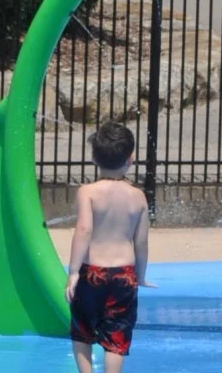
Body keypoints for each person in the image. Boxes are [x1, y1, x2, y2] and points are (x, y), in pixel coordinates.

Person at [65, 121, 155, 373]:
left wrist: (73, 272)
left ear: (94, 157)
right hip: (124, 273)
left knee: (82, 329)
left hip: (91, 272)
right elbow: (142, 241)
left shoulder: (88, 192)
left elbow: (83, 230)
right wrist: (142, 275)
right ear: (131, 159)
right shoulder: (138, 196)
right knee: (117, 334)